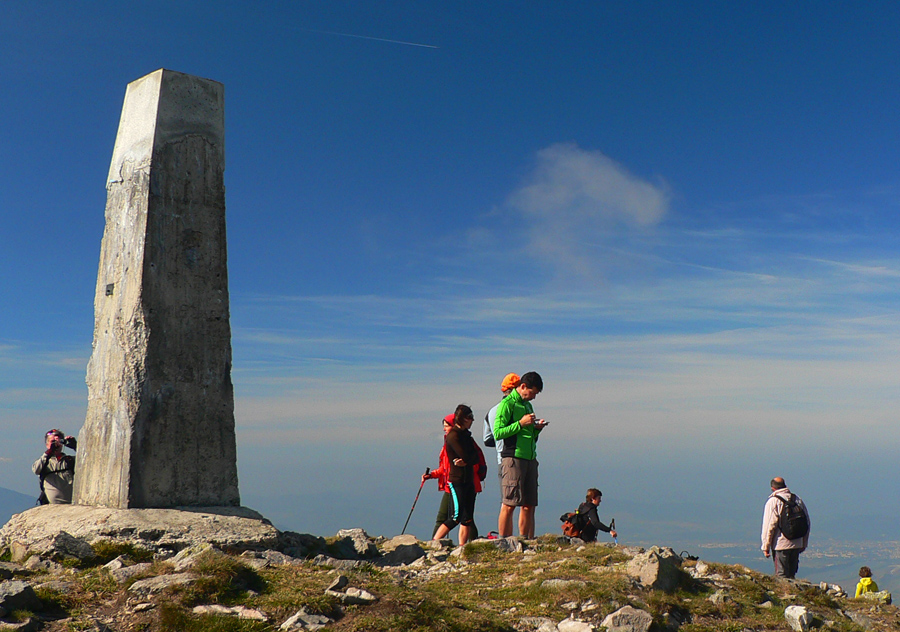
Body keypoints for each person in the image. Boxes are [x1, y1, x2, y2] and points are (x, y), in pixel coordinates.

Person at [493, 371, 546, 539]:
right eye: (532, 393)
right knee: (509, 503)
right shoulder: (507, 404)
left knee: (529, 504)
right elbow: (498, 432)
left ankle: (524, 539)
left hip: (530, 457)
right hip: (513, 458)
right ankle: (505, 541)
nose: (533, 397)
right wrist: (520, 423)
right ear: (523, 386)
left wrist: (536, 430)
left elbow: (529, 435)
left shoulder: (528, 406)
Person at [423, 414, 483, 540]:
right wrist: (432, 475)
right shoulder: (450, 443)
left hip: (458, 483)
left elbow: (472, 463)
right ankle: (467, 544)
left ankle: (436, 543)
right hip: (453, 484)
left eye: (446, 426)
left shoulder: (459, 442)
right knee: (462, 517)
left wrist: (465, 463)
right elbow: (444, 468)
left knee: (459, 517)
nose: (444, 429)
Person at [482, 372, 520, 536]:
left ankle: (507, 538)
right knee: (512, 503)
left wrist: (499, 445)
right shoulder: (515, 409)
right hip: (513, 457)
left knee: (509, 501)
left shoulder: (491, 411)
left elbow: (487, 439)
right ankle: (508, 539)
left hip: (501, 458)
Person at [760, 477, 810, 579]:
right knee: (792, 575)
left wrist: (766, 546)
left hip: (781, 544)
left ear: (773, 488)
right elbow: (807, 522)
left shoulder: (773, 502)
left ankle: (786, 594)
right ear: (785, 486)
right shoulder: (797, 499)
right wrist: (804, 543)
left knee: (781, 576)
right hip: (797, 543)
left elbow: (769, 526)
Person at [32, 429, 77, 504]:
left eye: (59, 441)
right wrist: (49, 452)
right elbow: (36, 470)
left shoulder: (70, 460)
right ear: (47, 444)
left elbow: (88, 462)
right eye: (52, 442)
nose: (55, 444)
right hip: (52, 505)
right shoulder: (45, 462)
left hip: (71, 504)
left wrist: (76, 447)